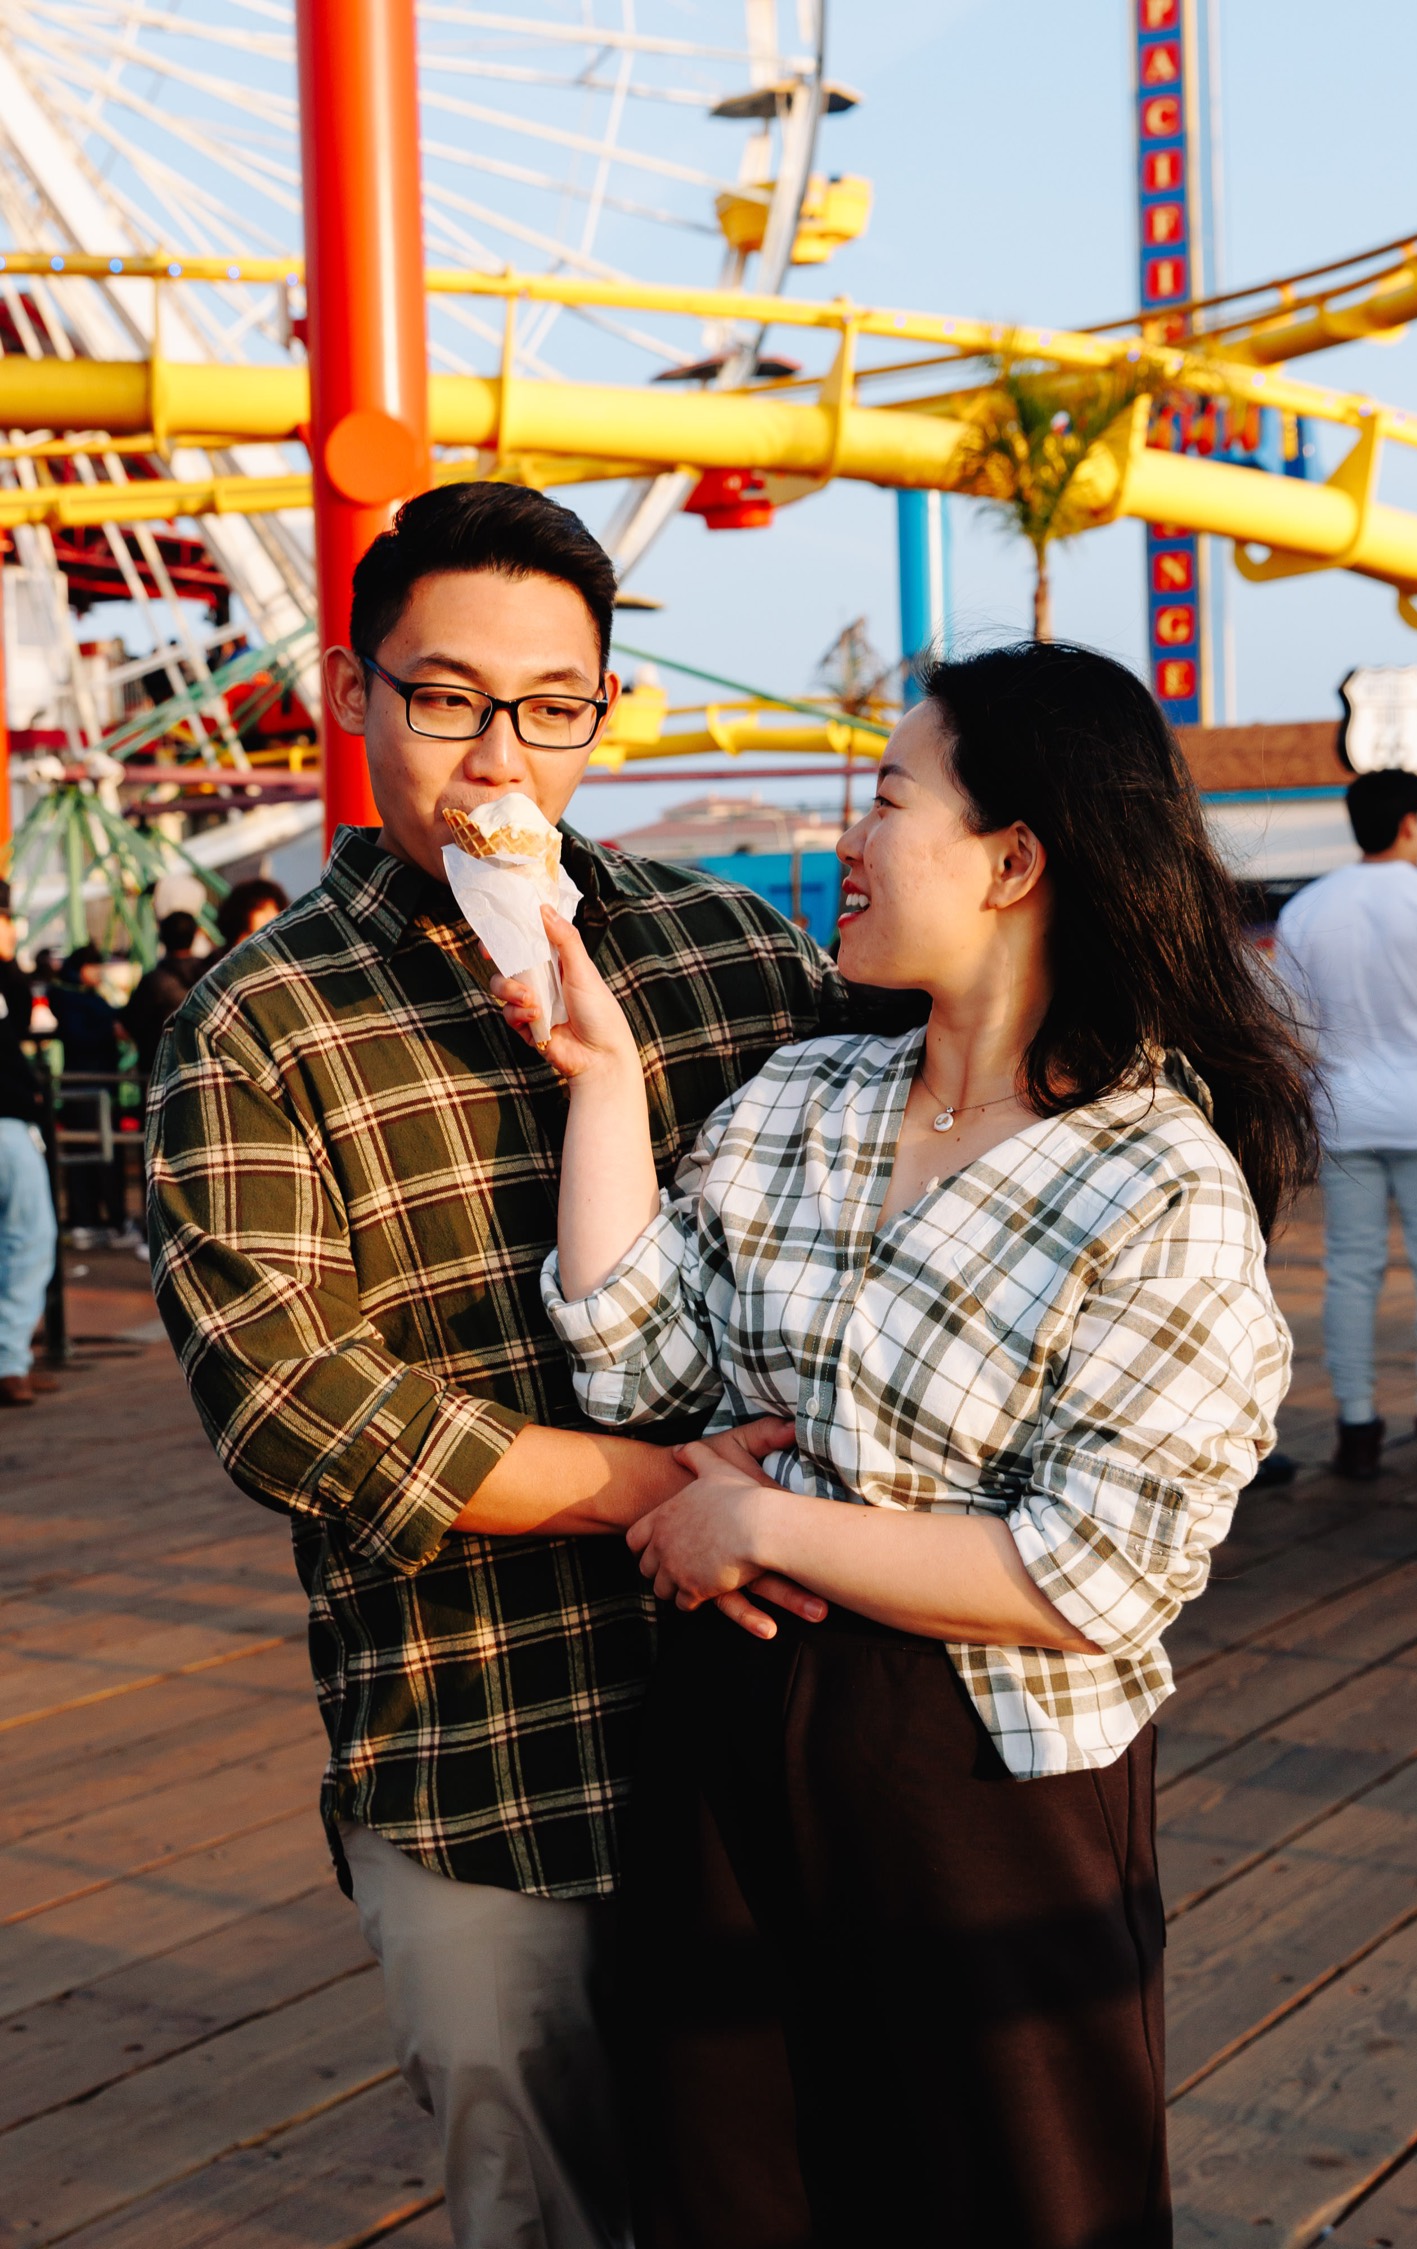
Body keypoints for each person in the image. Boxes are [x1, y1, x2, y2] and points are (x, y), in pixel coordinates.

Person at [506, 641, 1314, 2248]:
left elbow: (1097, 1568)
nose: (850, 838)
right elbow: (643, 1358)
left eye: (887, 798)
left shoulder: (1156, 1179)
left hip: (983, 1769)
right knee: (733, 2188)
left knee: (1013, 2201)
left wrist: (767, 1526)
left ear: (1014, 860)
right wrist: (602, 1084)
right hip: (731, 1736)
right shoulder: (807, 1094)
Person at [147, 481, 858, 2249]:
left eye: (555, 706)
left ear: (605, 705)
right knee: (534, 2195)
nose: (501, 758)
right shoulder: (256, 1027)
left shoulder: (729, 952)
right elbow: (302, 1409)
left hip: (786, 1717)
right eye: (447, 696)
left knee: (805, 2177)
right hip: (478, 1737)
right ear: (354, 692)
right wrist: (663, 1486)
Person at [1277, 769, 1417, 1480]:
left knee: (1350, 1275)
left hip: (1346, 1115)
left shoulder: (1305, 911)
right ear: (1408, 823)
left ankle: (1358, 1428)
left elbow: (1298, 1032)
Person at [0, 881, 58, 1408]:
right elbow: (20, 1013)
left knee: (24, 1240)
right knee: (27, 1240)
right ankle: (9, 1362)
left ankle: (11, 1361)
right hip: (8, 1123)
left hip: (13, 1121)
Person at [49, 942, 126, 1241]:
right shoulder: (77, 999)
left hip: (86, 1083)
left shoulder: (71, 996)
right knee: (96, 1153)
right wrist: (109, 1031)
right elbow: (79, 1035)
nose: (100, 972)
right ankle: (97, 1216)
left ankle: (89, 1216)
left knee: (86, 1151)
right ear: (81, 969)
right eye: (94, 966)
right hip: (91, 1084)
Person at [124, 910, 208, 1083]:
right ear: (194, 935)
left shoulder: (153, 981)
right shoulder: (210, 975)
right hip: (202, 1070)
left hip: (160, 1075)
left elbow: (129, 1025)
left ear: (162, 937)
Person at [204, 877, 288, 968]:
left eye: (276, 909)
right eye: (261, 909)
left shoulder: (279, 961)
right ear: (242, 910)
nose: (271, 916)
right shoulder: (214, 964)